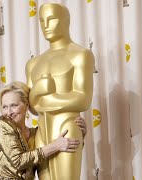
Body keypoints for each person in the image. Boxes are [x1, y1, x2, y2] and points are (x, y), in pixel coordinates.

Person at [25, 3, 94, 180]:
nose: (45, 26)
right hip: (41, 132)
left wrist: (45, 98)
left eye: (51, 19)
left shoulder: (80, 55)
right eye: (42, 21)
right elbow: (31, 107)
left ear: (66, 21)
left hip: (67, 127)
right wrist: (38, 91)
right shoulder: (33, 63)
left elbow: (83, 99)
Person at [0, 81, 87, 179]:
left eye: (14, 105)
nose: (8, 112)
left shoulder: (36, 133)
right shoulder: (2, 126)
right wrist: (55, 145)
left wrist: (79, 133)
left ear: (26, 106)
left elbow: (62, 150)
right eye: (4, 107)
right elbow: (18, 161)